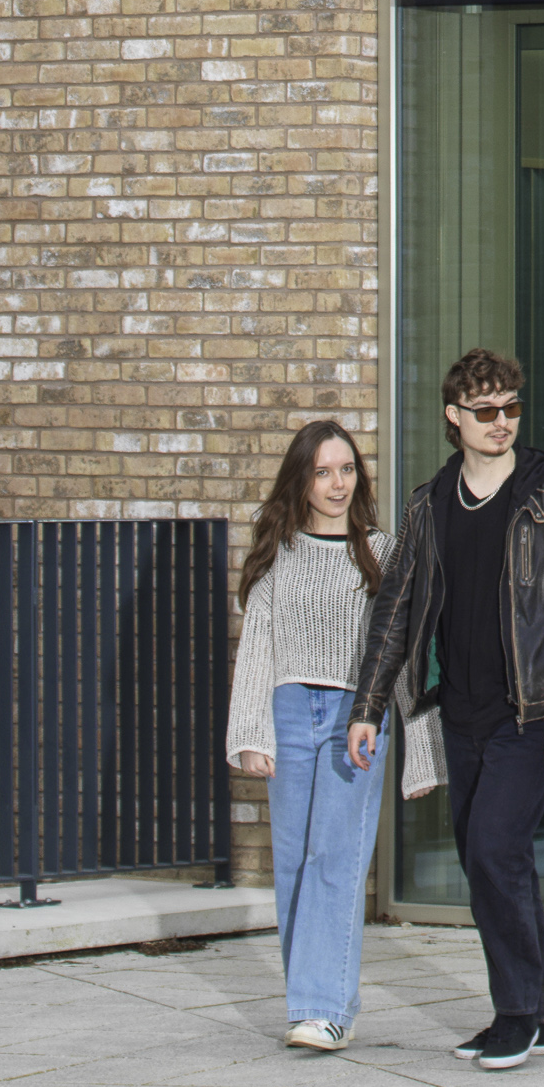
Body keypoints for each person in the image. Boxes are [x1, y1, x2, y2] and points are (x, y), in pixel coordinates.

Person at [344, 344, 544, 1073]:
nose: (503, 422)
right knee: (491, 857)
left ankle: (516, 1014)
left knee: (494, 850)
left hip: (530, 712)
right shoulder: (428, 504)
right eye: (487, 410)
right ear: (453, 417)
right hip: (457, 712)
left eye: (512, 407)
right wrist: (369, 704)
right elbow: (395, 611)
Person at [222, 421, 427, 1053]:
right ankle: (317, 1002)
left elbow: (401, 653)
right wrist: (252, 731)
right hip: (289, 711)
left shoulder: (385, 552)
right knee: (296, 862)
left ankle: (321, 1007)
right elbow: (258, 646)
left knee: (337, 856)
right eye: (322, 472)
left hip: (354, 717)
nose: (337, 484)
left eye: (346, 471)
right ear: (302, 480)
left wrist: (419, 747)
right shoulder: (277, 552)